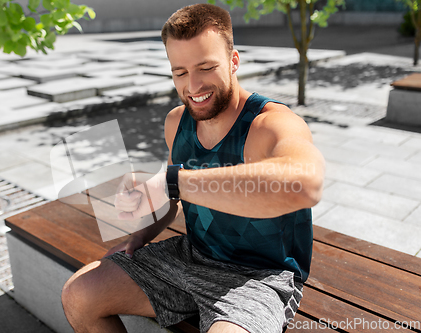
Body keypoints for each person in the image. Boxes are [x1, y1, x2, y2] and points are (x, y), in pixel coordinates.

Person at [61, 4, 325, 333]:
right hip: (191, 255)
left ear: (234, 61)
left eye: (206, 67)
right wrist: (141, 232)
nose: (193, 86)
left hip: (260, 277)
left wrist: (170, 181)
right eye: (180, 72)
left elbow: (305, 184)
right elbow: (174, 198)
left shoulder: (269, 124)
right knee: (79, 295)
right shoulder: (177, 121)